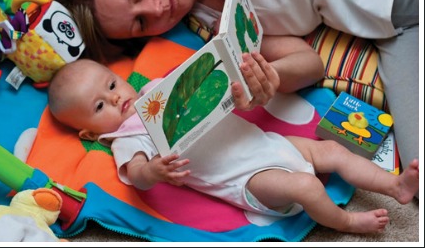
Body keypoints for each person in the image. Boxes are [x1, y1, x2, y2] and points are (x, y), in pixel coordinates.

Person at [54, 0, 419, 194]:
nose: (156, 8)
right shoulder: (215, 28)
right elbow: (310, 64)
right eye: (140, 23)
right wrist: (271, 78)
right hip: (396, 24)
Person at [47, 58, 419, 235]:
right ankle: (346, 221)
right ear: (89, 134)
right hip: (251, 178)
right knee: (306, 186)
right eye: (98, 107)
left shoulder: (155, 92)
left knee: (333, 151)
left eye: (112, 86)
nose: (114, 100)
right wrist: (154, 171)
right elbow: (139, 176)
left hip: (270, 144)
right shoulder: (125, 138)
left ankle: (394, 186)